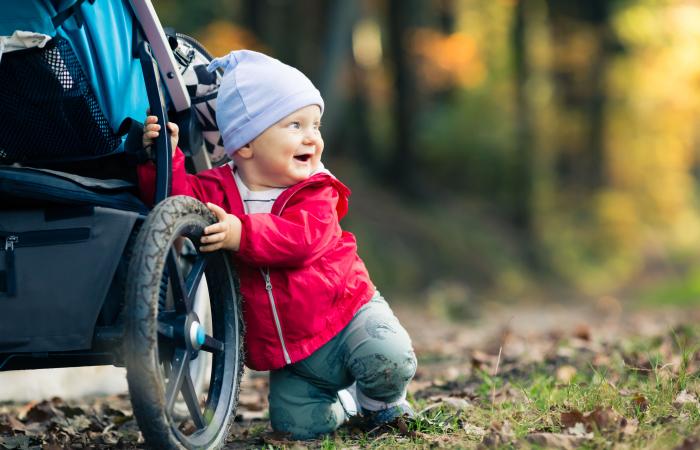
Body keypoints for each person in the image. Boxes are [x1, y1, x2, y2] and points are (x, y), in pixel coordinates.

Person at [138, 50, 417, 439]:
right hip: (296, 357)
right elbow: (179, 203)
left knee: (390, 360)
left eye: (315, 125)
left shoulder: (315, 189)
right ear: (247, 144)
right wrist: (163, 160)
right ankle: (346, 404)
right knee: (297, 426)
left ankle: (379, 403)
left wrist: (242, 234)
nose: (311, 137)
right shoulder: (220, 189)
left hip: (347, 317)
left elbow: (303, 240)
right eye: (295, 124)